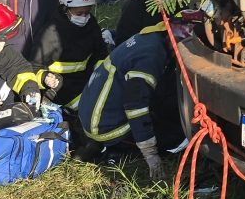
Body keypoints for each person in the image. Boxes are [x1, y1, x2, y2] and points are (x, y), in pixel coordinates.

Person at [77, 20, 189, 178]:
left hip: (98, 111)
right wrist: (150, 153)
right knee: (179, 141)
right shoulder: (151, 56)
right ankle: (116, 150)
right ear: (175, 40)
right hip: (106, 124)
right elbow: (135, 105)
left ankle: (105, 143)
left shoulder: (150, 38)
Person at [28, 0, 109, 112]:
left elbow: (100, 53)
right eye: (79, 13)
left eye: (87, 13)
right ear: (65, 7)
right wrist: (46, 78)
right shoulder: (51, 33)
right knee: (95, 108)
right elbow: (34, 67)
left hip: (86, 80)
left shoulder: (91, 24)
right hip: (60, 87)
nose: (84, 17)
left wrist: (102, 74)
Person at [0, 1, 57, 129]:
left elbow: (18, 68)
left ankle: (7, 131)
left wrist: (30, 89)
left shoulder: (0, 50)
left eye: (4, 39)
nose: (2, 44)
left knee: (8, 87)